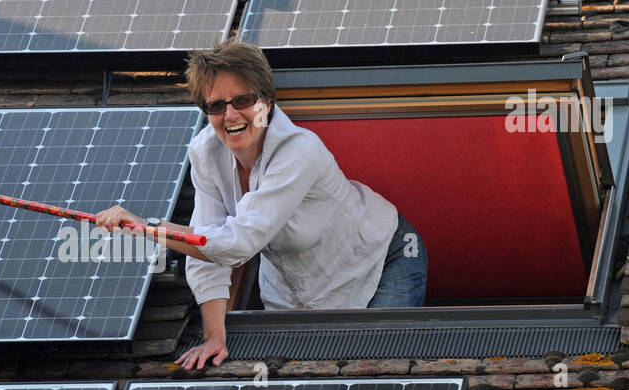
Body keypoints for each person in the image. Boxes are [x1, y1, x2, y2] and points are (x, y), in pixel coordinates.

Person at [95, 40, 427, 370]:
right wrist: (214, 335)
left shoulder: (299, 151)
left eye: (243, 100)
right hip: (292, 293)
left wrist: (148, 227)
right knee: (305, 387)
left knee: (372, 373)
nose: (230, 114)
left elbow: (238, 244)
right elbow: (208, 251)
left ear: (266, 102)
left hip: (383, 260)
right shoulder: (205, 153)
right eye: (215, 106)